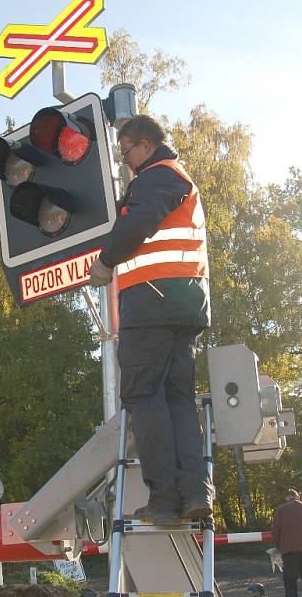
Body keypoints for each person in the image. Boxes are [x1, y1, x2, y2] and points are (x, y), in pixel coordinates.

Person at [88, 114, 213, 523]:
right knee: (177, 398)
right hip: (183, 305)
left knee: (144, 396)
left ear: (143, 145)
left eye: (126, 151)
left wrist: (106, 261)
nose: (126, 161)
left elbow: (138, 224)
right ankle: (195, 491)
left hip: (151, 303)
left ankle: (164, 498)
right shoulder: (179, 179)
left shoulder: (156, 178)